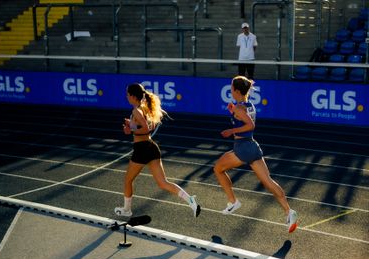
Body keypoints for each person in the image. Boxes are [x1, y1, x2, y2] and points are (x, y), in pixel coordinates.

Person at [213, 75, 298, 233]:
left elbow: (250, 125)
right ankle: (289, 212)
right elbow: (245, 118)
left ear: (237, 90)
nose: (230, 90)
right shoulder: (248, 105)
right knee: (268, 182)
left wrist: (231, 130)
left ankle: (233, 201)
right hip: (252, 146)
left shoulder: (240, 108)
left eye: (231, 88)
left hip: (242, 148)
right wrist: (234, 111)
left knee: (218, 168)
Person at [115, 82, 201, 218]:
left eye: (127, 94)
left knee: (128, 180)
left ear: (132, 96)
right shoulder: (145, 108)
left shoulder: (136, 111)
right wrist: (131, 126)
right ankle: (190, 200)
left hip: (141, 149)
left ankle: (127, 210)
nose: (126, 97)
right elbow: (148, 126)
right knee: (163, 183)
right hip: (151, 147)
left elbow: (145, 128)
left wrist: (131, 127)